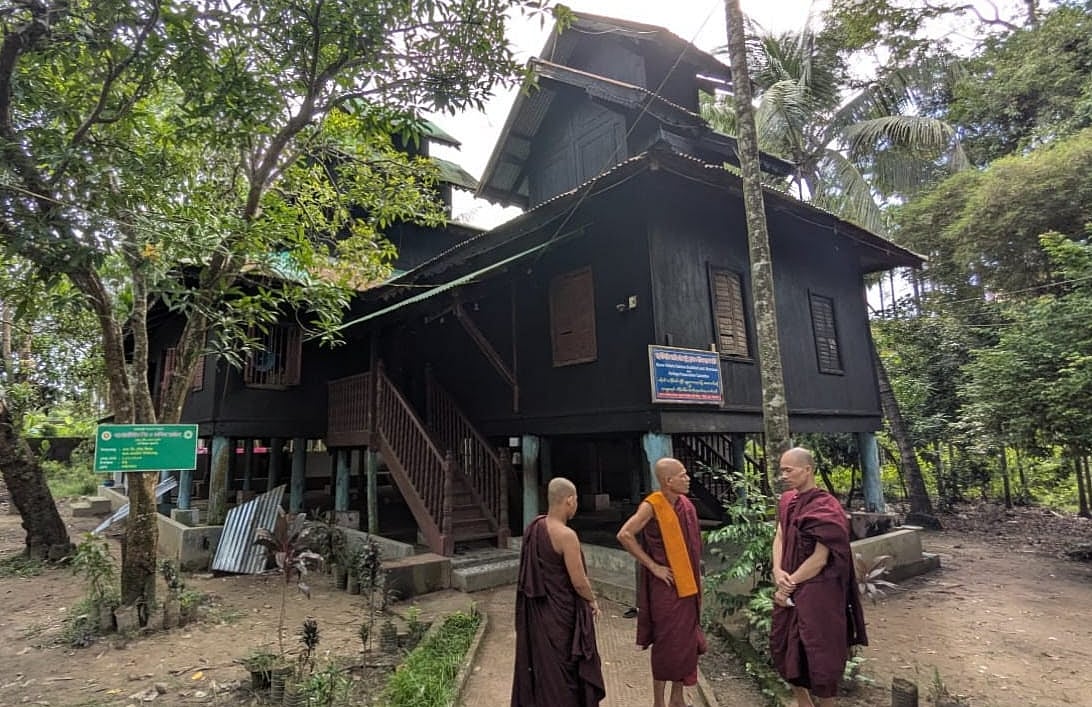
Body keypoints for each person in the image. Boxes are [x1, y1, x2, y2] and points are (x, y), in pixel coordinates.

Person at [770, 447, 868, 707]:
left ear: (807, 469)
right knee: (785, 649)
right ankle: (803, 702)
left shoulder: (826, 507)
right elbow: (780, 534)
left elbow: (820, 559)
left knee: (821, 657)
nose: (784, 476)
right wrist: (777, 570)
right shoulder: (787, 500)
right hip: (788, 584)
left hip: (817, 592)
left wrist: (788, 585)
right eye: (781, 471)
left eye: (788, 470)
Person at [616, 457, 707, 707]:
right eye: (683, 475)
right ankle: (658, 702)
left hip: (688, 584)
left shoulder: (686, 505)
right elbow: (625, 534)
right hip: (665, 588)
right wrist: (653, 566)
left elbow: (692, 547)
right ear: (668, 480)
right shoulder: (652, 505)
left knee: (686, 643)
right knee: (667, 644)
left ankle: (677, 697)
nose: (687, 479)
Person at [511, 477, 605, 707]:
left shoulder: (535, 527)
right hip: (562, 617)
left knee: (544, 669)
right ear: (569, 500)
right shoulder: (566, 535)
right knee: (564, 673)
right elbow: (579, 581)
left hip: (541, 613)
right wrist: (592, 601)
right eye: (576, 500)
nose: (576, 505)